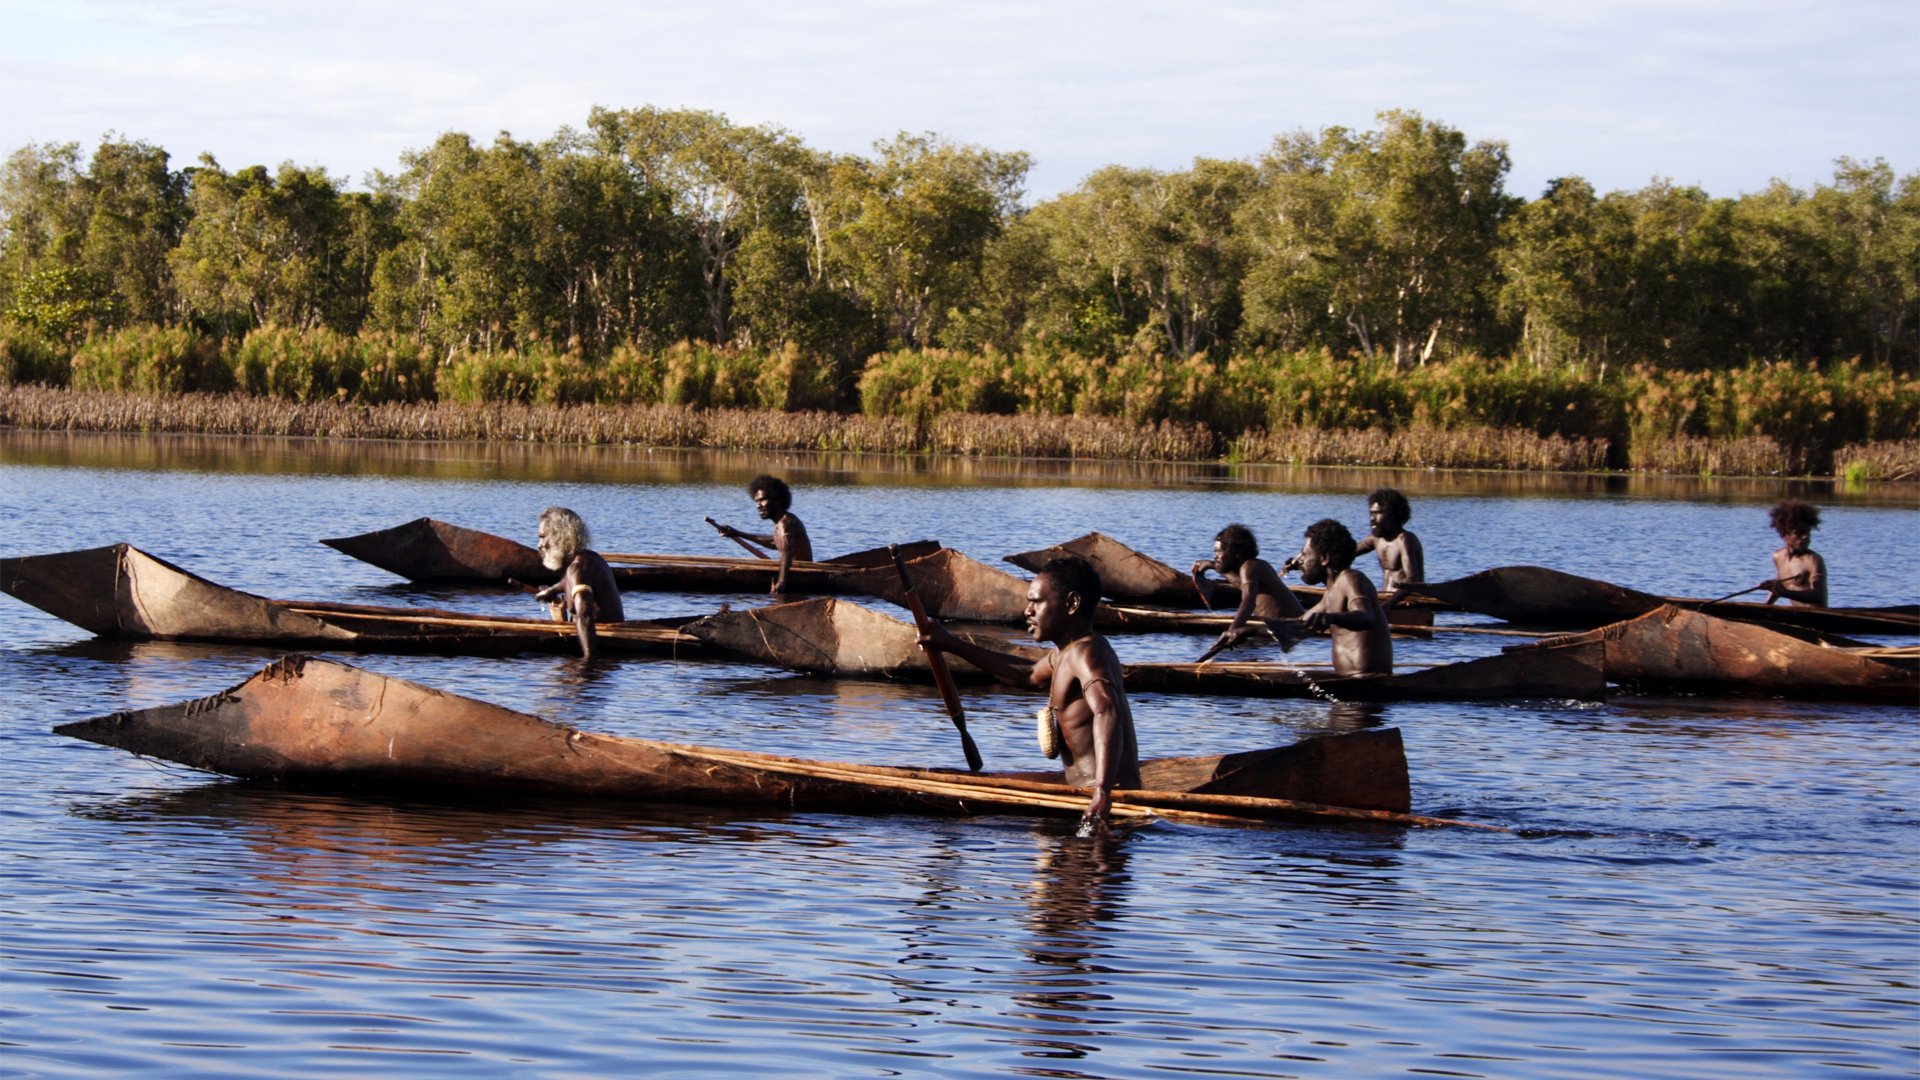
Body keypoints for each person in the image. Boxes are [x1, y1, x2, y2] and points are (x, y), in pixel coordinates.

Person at [918, 555, 1141, 826]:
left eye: (1036, 602)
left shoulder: (1087, 652)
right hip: (1082, 789)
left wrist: (1103, 793)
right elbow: (1028, 674)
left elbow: (1106, 709)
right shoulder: (1064, 654)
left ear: (1071, 604)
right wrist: (950, 643)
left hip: (1103, 795)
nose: (1027, 611)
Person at [1271, 519, 1393, 676]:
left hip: (1368, 681)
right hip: (1348, 683)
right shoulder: (1329, 596)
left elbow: (1366, 617)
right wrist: (1248, 631)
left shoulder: (1351, 578)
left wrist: (1329, 618)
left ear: (1324, 559)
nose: (1299, 560)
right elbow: (1294, 629)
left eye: (1305, 554)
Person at [1190, 523, 1304, 654]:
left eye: (1218, 552)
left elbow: (1249, 601)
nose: (1215, 556)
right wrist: (1212, 565)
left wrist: (1230, 633)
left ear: (1235, 553)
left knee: (1233, 652)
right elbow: (1241, 584)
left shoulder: (1250, 567)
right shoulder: (1255, 566)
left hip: (1290, 631)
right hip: (1284, 630)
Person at [531, 506, 624, 661]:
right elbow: (569, 581)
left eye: (543, 537)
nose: (539, 544)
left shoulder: (578, 568)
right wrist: (551, 591)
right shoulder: (589, 558)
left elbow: (584, 615)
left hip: (604, 641)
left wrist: (588, 659)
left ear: (561, 537)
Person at [713, 474, 814, 595]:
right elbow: (774, 542)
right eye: (756, 501)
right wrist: (737, 533)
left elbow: (787, 552)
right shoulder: (781, 523)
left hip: (800, 575)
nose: (758, 505)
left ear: (777, 499)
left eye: (762, 500)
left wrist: (781, 582)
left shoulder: (785, 523)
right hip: (793, 573)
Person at [1352, 487, 1424, 593]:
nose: (1372, 518)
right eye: (1371, 513)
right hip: (1384, 598)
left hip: (1405, 601)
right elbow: (1345, 555)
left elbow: (1412, 581)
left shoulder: (1405, 540)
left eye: (1377, 513)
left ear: (1392, 515)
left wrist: (1389, 604)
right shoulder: (1375, 539)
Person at [1763, 499, 1828, 606]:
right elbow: (1780, 584)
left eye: (1807, 532)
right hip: (1796, 616)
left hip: (1816, 619)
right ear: (1784, 535)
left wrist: (1784, 592)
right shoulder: (1778, 557)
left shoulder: (1813, 560)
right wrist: (1767, 604)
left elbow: (1818, 596)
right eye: (1799, 533)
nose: (1805, 537)